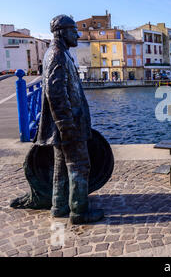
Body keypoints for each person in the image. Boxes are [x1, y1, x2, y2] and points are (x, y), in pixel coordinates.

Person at [36, 15, 104, 224]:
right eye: (73, 30)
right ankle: (79, 211)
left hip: (63, 125)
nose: (77, 34)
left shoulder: (57, 53)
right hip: (68, 124)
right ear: (62, 32)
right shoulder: (57, 55)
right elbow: (55, 93)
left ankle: (59, 206)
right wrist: (66, 125)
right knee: (79, 165)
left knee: (61, 167)